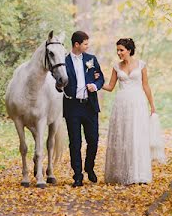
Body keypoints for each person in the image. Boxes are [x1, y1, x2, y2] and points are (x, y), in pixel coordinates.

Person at [101, 37, 163, 185]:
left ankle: (139, 174)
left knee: (137, 136)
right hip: (121, 105)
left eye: (121, 50)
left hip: (138, 104)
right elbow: (110, 87)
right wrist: (96, 82)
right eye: (117, 50)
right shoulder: (116, 67)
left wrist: (152, 105)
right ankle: (120, 174)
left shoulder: (141, 65)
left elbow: (146, 86)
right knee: (123, 136)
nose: (119, 53)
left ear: (129, 50)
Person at [62, 30, 106, 187]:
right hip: (72, 106)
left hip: (90, 106)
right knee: (75, 143)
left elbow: (100, 77)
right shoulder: (63, 61)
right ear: (77, 44)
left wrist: (95, 85)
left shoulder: (91, 59)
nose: (88, 46)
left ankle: (89, 167)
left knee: (93, 140)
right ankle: (78, 175)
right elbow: (58, 81)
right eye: (85, 43)